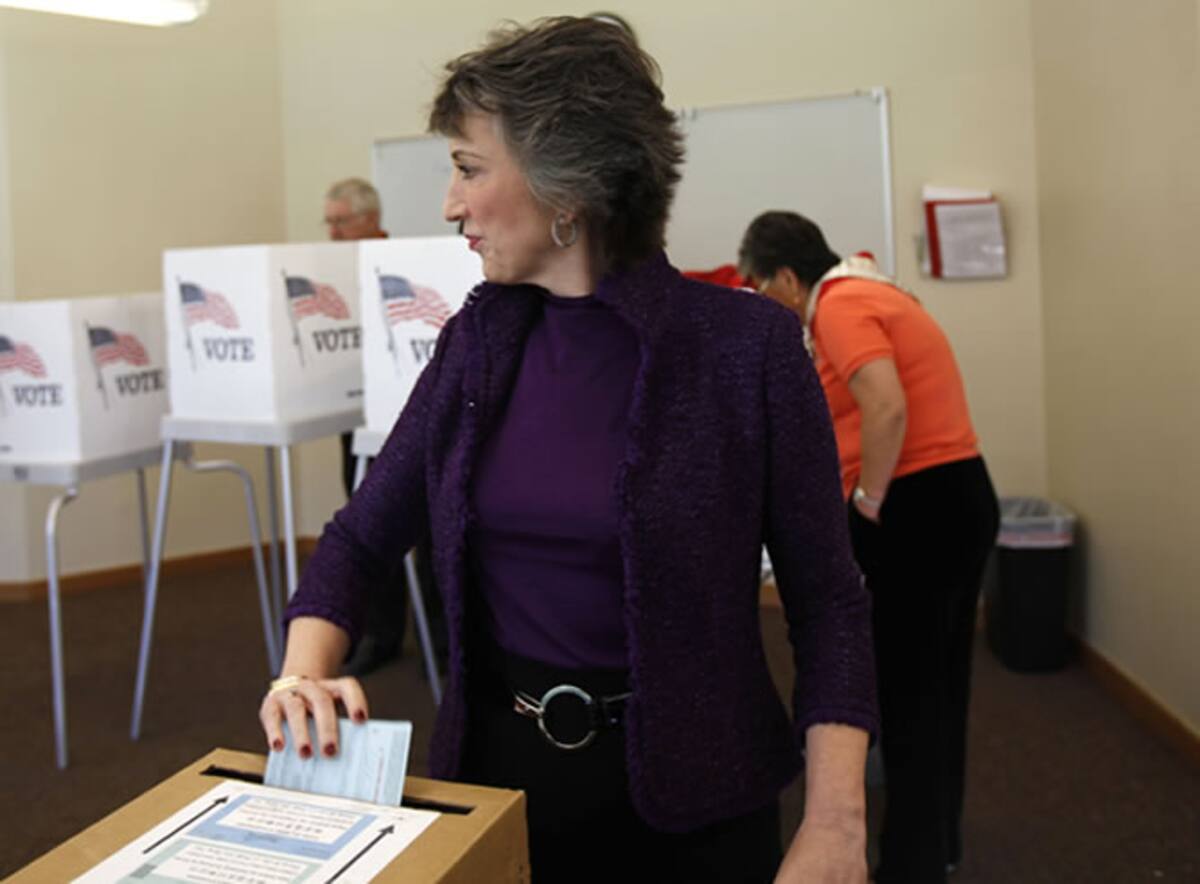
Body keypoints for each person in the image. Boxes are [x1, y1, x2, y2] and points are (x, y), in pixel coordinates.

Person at [263, 19, 877, 883]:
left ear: (567, 185)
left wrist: (837, 822)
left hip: (700, 803)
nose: (449, 204)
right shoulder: (475, 345)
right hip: (500, 788)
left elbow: (828, 602)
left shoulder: (747, 350)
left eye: (469, 168)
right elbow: (361, 538)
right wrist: (302, 675)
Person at [739, 212, 1000, 884]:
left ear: (787, 279)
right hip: (957, 498)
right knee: (939, 688)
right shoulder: (874, 290)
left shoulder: (840, 305)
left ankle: (912, 864)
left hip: (920, 508)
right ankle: (936, 844)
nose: (764, 302)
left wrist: (866, 504)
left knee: (910, 695)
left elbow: (885, 405)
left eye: (761, 287)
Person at [322, 177, 445, 676]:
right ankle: (381, 634)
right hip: (361, 411)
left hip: (413, 412)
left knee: (432, 530)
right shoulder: (330, 273)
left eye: (341, 221)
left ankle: (441, 643)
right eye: (329, 222)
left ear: (371, 220)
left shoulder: (404, 265)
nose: (332, 232)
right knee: (370, 522)